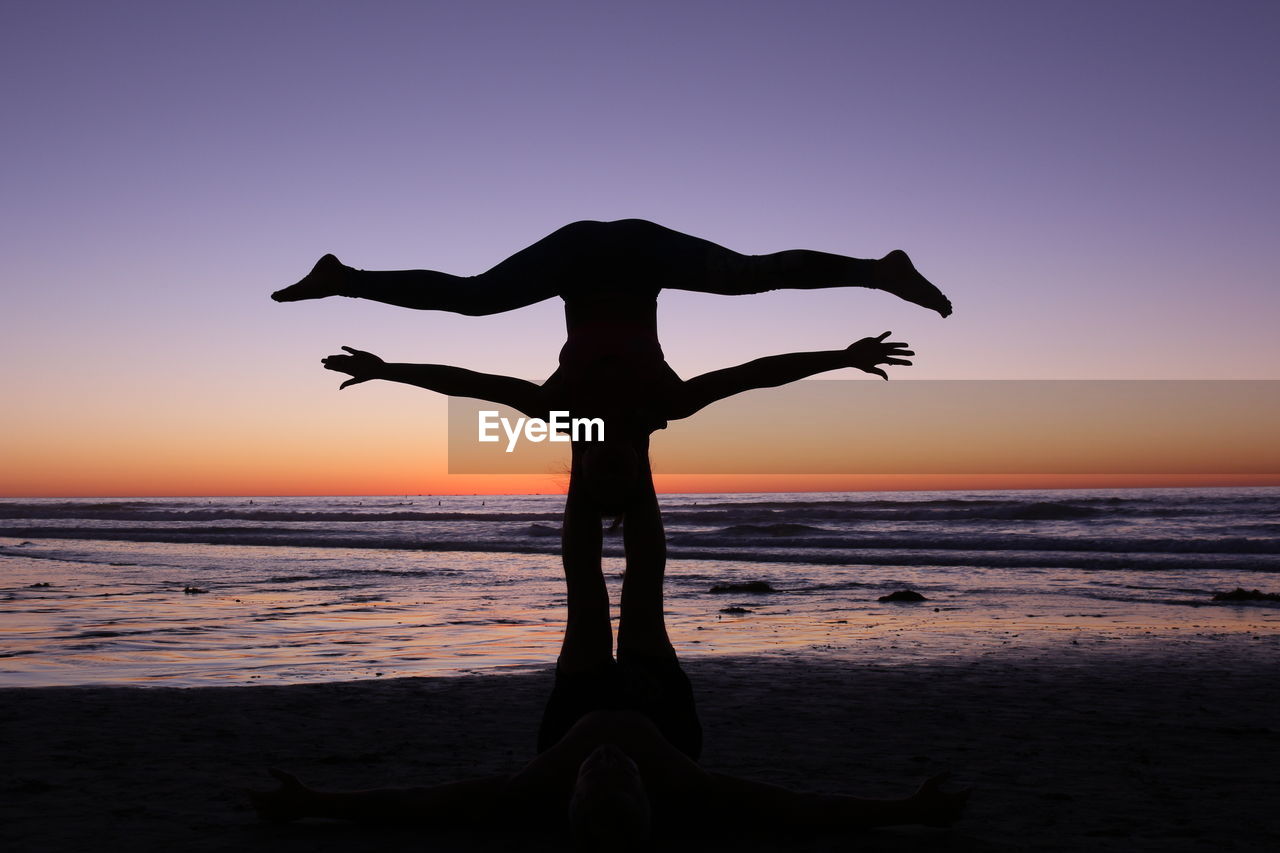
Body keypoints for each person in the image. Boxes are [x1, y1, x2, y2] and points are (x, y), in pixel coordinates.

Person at [249, 459, 970, 846]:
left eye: (595, 784)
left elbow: (419, 803)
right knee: (645, 584)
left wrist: (315, 801)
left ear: (572, 801)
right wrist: (908, 807)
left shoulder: (532, 789)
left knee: (586, 587)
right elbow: (799, 807)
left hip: (573, 712)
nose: (607, 765)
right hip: (666, 720)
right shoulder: (693, 792)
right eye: (621, 782)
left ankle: (582, 450)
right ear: (647, 802)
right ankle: (639, 454)